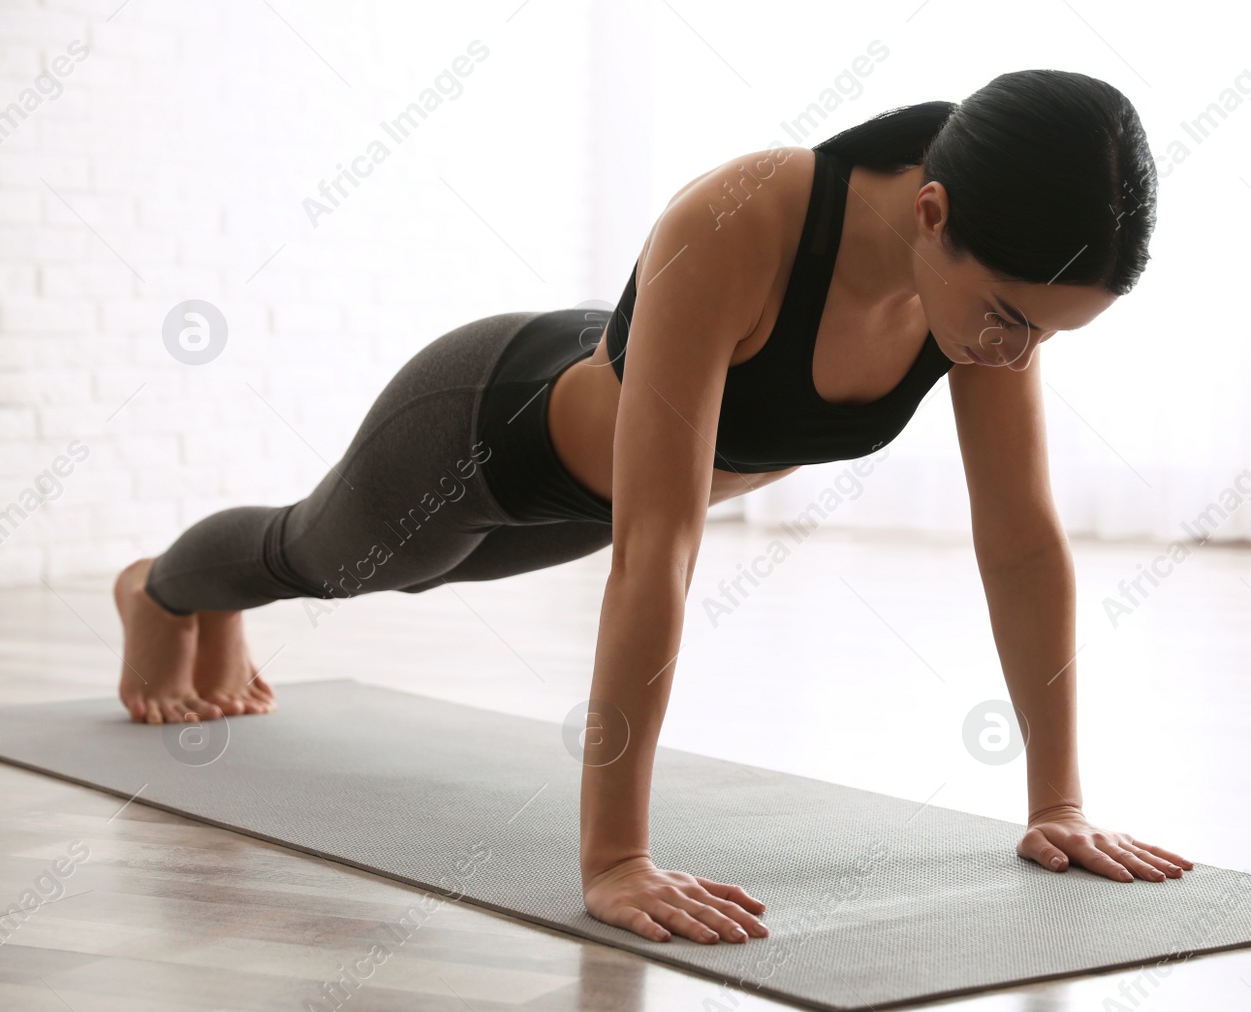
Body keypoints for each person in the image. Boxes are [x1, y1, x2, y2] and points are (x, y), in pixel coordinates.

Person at [113, 69, 1193, 946]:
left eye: (1047, 335)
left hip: (598, 489)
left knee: (396, 566)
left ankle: (207, 604)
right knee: (330, 557)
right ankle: (159, 592)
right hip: (480, 433)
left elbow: (1019, 539)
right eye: (1011, 318)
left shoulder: (978, 297)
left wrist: (1057, 804)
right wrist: (614, 857)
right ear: (930, 213)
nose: (1016, 353)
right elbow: (657, 556)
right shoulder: (742, 218)